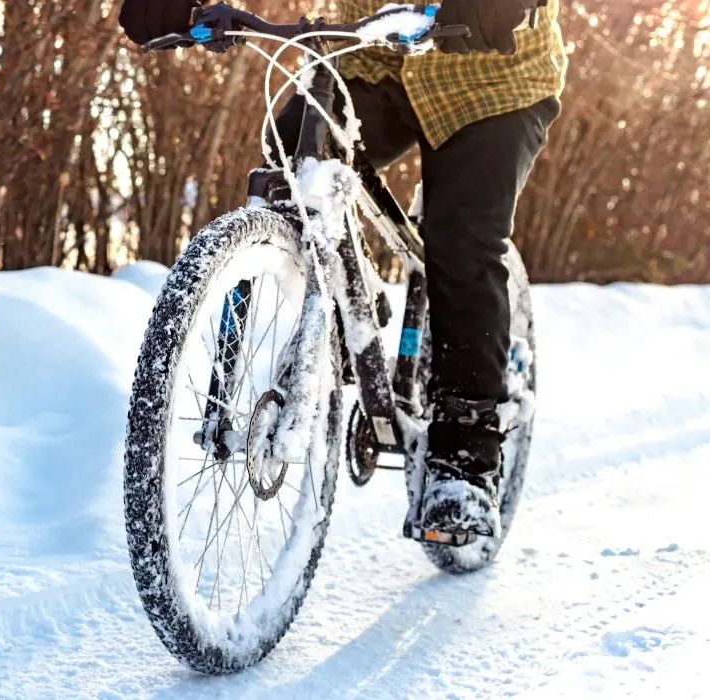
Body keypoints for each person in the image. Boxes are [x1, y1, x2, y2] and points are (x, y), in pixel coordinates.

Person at [117, 0, 567, 540]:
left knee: (462, 238)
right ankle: (349, 298)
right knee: (288, 157)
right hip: (369, 60)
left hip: (491, 72)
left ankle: (464, 459)